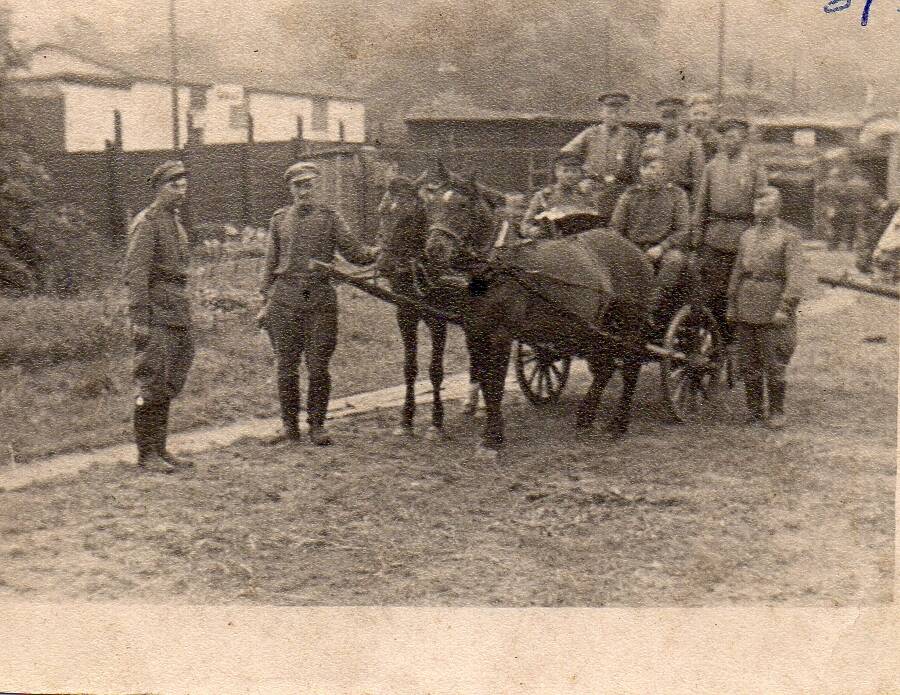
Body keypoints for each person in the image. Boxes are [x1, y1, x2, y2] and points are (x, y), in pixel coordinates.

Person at [258, 161, 379, 446]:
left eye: (308, 184)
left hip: (319, 303)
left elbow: (356, 253)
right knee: (285, 367)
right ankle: (289, 427)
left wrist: (380, 251)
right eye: (297, 186)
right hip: (284, 301)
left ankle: (317, 426)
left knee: (318, 367)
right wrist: (263, 301)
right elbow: (269, 264)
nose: (303, 190)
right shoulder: (278, 219)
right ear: (290, 189)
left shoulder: (330, 218)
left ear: (316, 186)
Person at [124, 160, 195, 473]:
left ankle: (161, 449)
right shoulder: (148, 221)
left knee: (169, 378)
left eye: (183, 185)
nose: (180, 191)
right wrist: (138, 316)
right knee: (152, 378)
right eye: (173, 185)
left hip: (177, 308)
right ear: (158, 188)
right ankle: (146, 454)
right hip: (155, 312)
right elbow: (136, 272)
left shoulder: (174, 222)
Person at [727, 186, 805, 430]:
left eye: (767, 205)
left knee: (774, 361)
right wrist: (732, 303)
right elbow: (738, 271)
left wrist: (785, 306)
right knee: (748, 361)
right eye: (758, 204)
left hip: (773, 303)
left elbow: (795, 276)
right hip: (747, 301)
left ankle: (776, 411)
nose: (760, 209)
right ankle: (753, 410)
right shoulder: (747, 236)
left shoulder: (788, 236)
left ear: (777, 208)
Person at [692, 117, 768, 345]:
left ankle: (738, 343)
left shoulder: (754, 167)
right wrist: (697, 235)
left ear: (743, 140)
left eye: (733, 137)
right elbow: (701, 204)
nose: (727, 142)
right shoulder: (712, 167)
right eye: (724, 137)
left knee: (738, 292)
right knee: (711, 292)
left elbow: (763, 205)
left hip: (743, 236)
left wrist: (758, 239)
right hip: (715, 236)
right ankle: (716, 338)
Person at [609, 145, 690, 315]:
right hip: (633, 247)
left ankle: (653, 305)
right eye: (646, 168)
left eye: (657, 169)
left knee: (674, 260)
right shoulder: (630, 195)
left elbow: (683, 230)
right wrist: (627, 250)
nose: (651, 173)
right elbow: (615, 229)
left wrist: (662, 247)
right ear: (640, 171)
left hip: (663, 249)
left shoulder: (676, 195)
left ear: (666, 172)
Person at [559, 91, 642, 225]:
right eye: (610, 112)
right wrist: (580, 179)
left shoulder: (631, 138)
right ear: (602, 113)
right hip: (592, 190)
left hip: (619, 191)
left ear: (625, 113)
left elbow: (636, 169)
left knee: (616, 228)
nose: (614, 116)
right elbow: (566, 154)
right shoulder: (590, 134)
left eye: (618, 112)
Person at [520, 152, 598, 239]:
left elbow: (596, 222)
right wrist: (533, 231)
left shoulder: (586, 196)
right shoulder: (543, 196)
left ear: (580, 173)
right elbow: (525, 225)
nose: (570, 175)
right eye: (565, 171)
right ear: (556, 172)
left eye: (574, 171)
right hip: (551, 245)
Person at [645, 96, 705, 205]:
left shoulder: (693, 144)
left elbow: (699, 180)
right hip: (656, 200)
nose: (669, 122)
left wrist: (694, 207)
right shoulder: (652, 141)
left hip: (682, 199)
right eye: (664, 117)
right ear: (659, 119)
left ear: (681, 118)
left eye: (673, 117)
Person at [685, 92, 720, 163]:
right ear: (689, 116)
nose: (699, 118)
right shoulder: (684, 138)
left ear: (711, 117)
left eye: (704, 114)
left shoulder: (717, 141)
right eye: (695, 114)